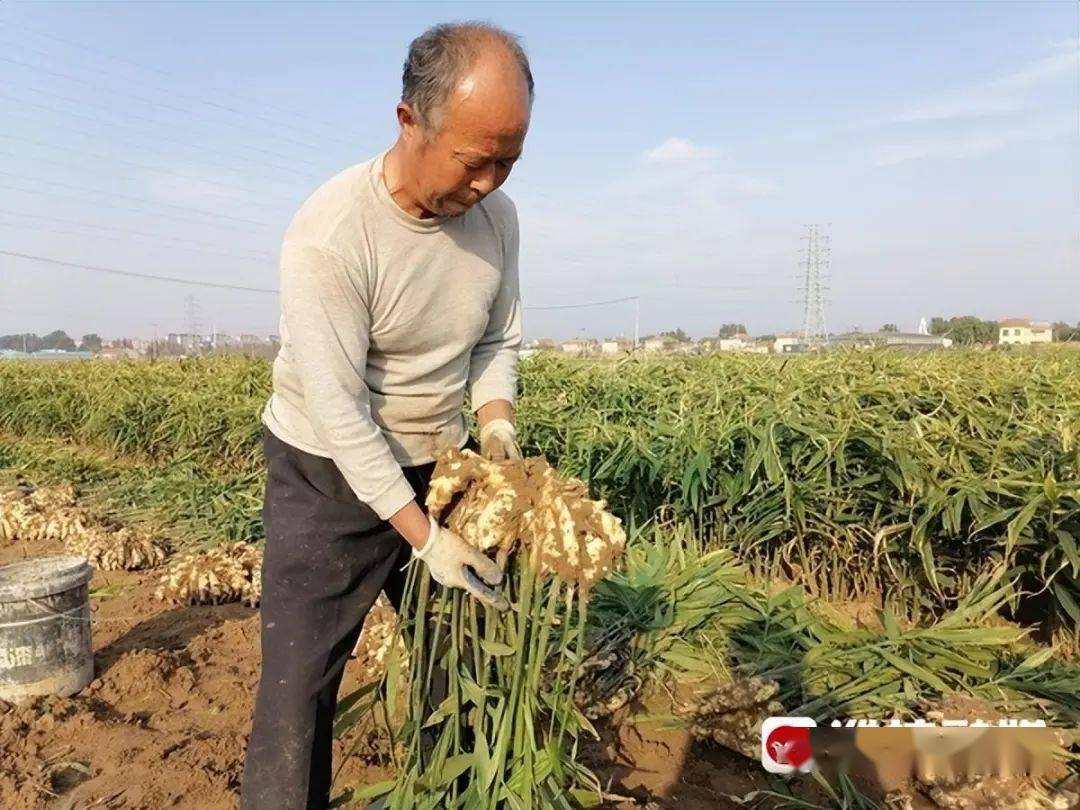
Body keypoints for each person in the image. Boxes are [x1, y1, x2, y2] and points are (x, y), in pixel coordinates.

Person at [240, 21, 533, 810]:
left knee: (460, 662)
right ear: (411, 121)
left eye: (510, 161)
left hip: (441, 466)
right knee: (299, 692)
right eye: (476, 160)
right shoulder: (332, 236)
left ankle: (450, 792)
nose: (490, 183)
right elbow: (340, 414)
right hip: (326, 477)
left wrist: (496, 426)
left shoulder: (498, 221)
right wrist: (424, 541)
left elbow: (497, 340)